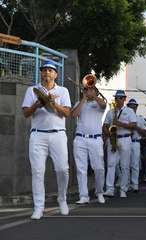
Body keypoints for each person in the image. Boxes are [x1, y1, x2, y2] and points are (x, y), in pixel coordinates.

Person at [22, 60, 71, 220]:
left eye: (50, 70)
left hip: (58, 134)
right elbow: (26, 113)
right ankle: (39, 207)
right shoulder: (32, 90)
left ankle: (62, 199)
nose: (47, 73)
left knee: (62, 169)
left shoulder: (63, 91)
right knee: (37, 172)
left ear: (56, 74)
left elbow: (67, 113)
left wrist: (52, 104)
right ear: (41, 73)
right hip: (38, 135)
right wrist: (38, 104)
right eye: (44, 70)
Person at [71, 82, 107, 204]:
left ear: (96, 92)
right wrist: (84, 98)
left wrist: (94, 95)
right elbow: (74, 114)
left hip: (95, 139)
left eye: (91, 90)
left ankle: (100, 192)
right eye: (86, 89)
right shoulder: (80, 103)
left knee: (99, 168)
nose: (88, 91)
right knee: (81, 169)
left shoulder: (99, 103)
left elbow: (103, 105)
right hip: (80, 138)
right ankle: (83, 195)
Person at [103, 90, 137, 198]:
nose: (118, 100)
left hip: (125, 139)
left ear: (124, 99)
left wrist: (120, 123)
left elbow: (133, 125)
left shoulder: (130, 111)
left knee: (125, 166)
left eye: (121, 98)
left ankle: (123, 189)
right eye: (117, 98)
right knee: (111, 164)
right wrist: (109, 135)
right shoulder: (110, 112)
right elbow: (105, 126)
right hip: (113, 139)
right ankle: (109, 189)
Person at [126, 98, 146, 192]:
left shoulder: (140, 118)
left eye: (134, 107)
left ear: (136, 107)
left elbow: (145, 133)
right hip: (126, 141)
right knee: (125, 164)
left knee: (135, 164)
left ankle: (135, 185)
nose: (132, 108)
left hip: (135, 142)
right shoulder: (124, 117)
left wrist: (136, 127)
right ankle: (125, 183)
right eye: (130, 106)